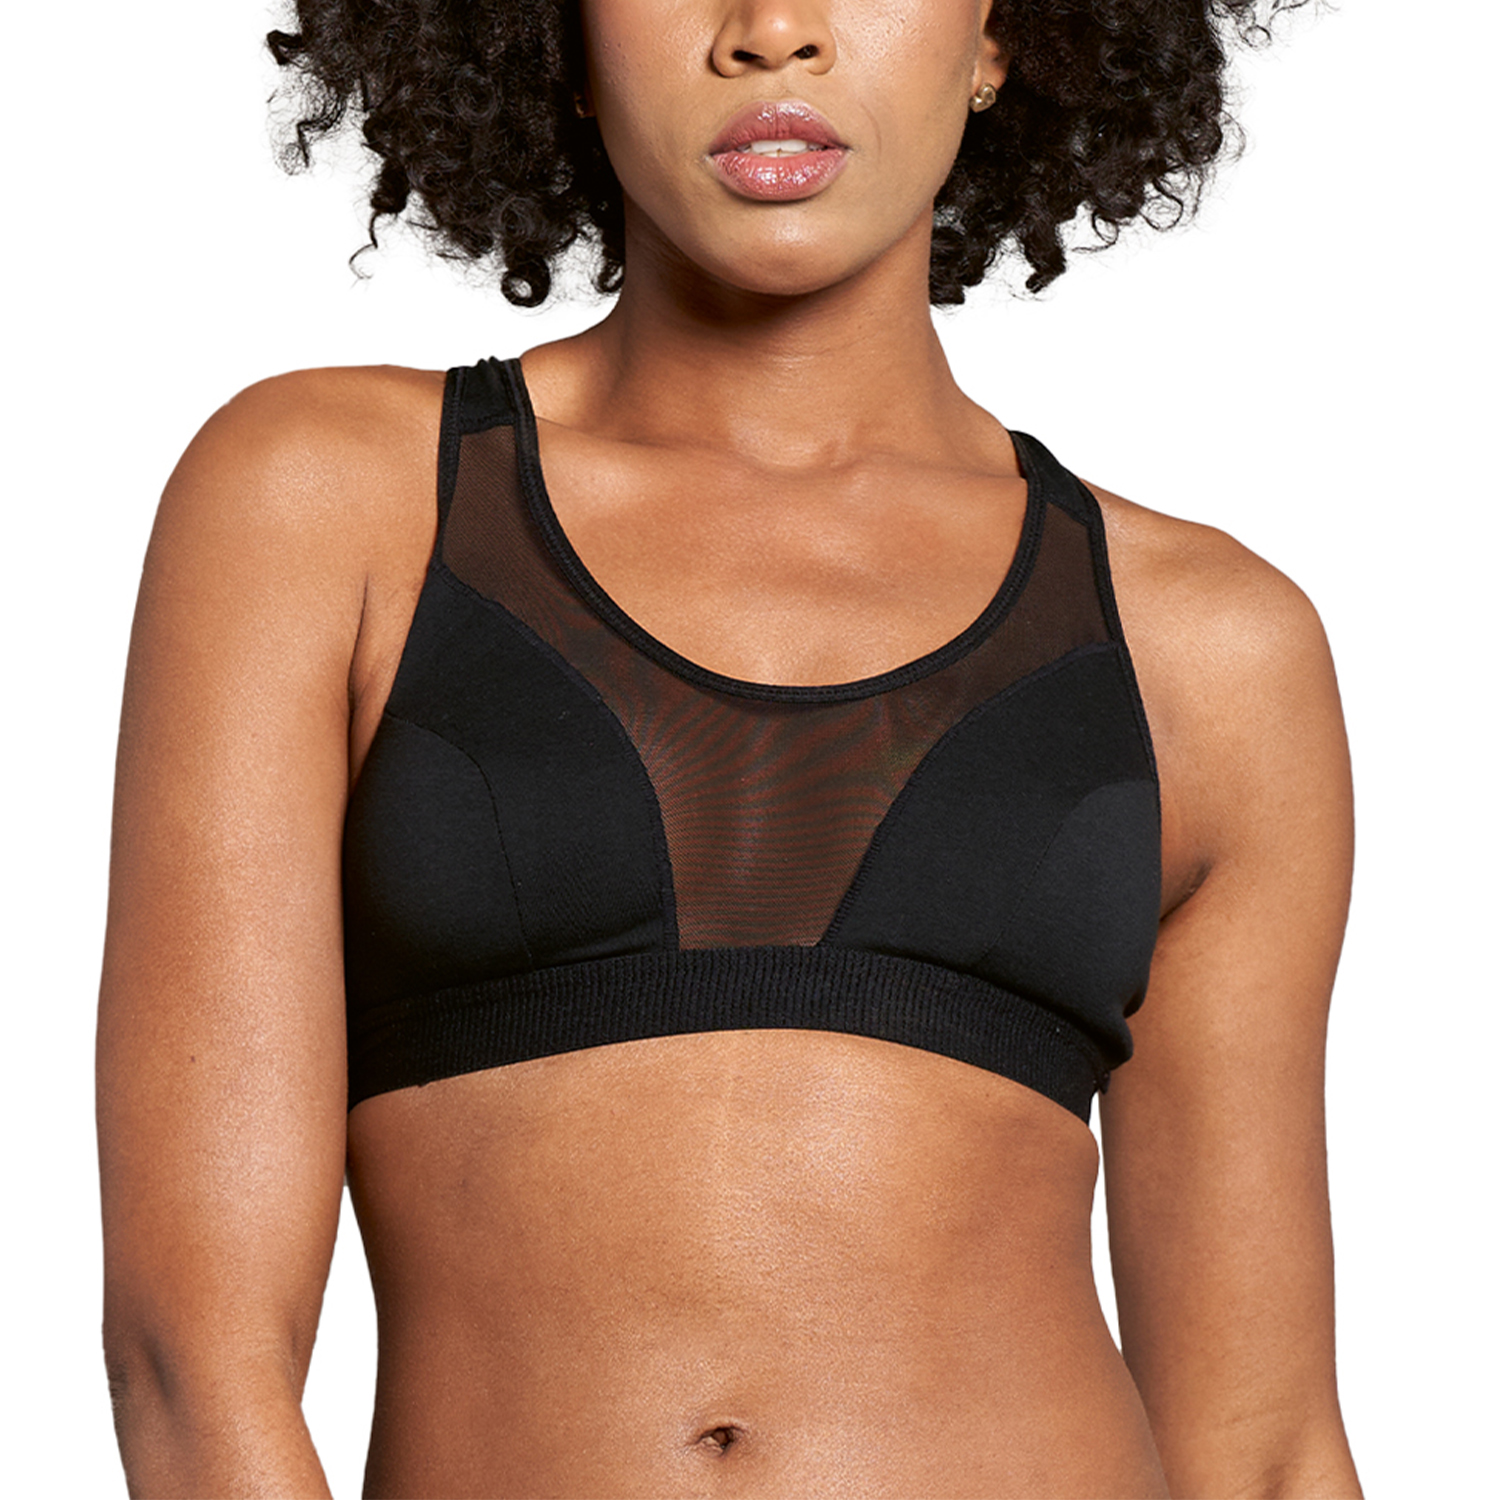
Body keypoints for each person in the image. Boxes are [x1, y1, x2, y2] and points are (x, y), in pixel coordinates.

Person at [96, 0, 1362, 1495]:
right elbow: (195, 1359)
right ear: (559, 41)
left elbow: (1263, 1450)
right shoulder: (331, 504)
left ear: (999, 38)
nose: (774, 31)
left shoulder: (1209, 647)